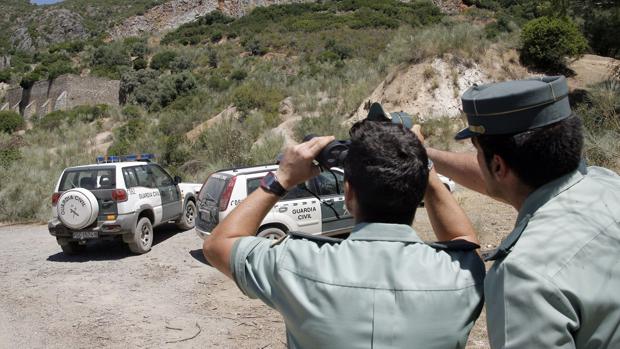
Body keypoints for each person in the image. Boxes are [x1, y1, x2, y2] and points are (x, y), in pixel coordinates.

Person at [203, 118, 485, 348]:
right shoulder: (462, 275)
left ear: (349, 193)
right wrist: (423, 166)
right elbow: (463, 242)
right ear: (418, 193)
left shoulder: (295, 263)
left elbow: (218, 244)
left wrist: (281, 178)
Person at [423, 75, 620, 348]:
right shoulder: (605, 182)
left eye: (477, 152)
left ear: (499, 166)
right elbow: (499, 179)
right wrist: (424, 154)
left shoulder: (523, 275)